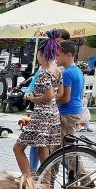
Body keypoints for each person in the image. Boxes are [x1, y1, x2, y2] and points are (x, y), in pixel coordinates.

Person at [12, 35, 62, 176]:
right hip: (53, 113)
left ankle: (28, 179)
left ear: (40, 54)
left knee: (18, 148)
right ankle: (45, 184)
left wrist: (34, 98)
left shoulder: (43, 74)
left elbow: (47, 96)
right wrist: (48, 97)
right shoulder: (57, 72)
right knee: (43, 150)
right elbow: (59, 93)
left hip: (41, 114)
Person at [55, 40, 85, 143]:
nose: (55, 58)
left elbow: (65, 98)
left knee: (67, 149)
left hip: (67, 113)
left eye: (58, 55)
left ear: (68, 55)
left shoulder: (67, 73)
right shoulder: (77, 71)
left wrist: (49, 99)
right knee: (59, 149)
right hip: (75, 111)